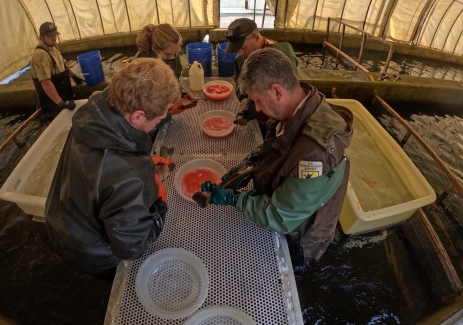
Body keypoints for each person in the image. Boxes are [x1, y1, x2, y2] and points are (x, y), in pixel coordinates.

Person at [194, 48, 353, 265]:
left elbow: (279, 216)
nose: (257, 109)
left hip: (299, 237)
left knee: (295, 269)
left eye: (257, 100)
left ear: (277, 91)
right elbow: (276, 147)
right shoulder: (296, 108)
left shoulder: (315, 154)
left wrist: (233, 199)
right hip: (287, 205)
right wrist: (246, 167)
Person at [45, 58, 180, 282]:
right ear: (137, 116)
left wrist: (139, 158)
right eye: (159, 117)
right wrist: (160, 204)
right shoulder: (128, 176)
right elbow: (131, 247)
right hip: (91, 251)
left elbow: (100, 167)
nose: (161, 120)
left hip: (62, 221)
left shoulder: (92, 115)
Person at [224, 18, 299, 128]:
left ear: (257, 38)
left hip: (280, 119)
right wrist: (244, 95)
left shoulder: (281, 57)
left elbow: (286, 95)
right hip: (259, 113)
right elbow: (238, 81)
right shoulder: (241, 57)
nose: (240, 53)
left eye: (243, 48)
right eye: (237, 49)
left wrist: (254, 109)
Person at [136, 23, 198, 138]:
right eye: (169, 54)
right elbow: (144, 111)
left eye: (176, 52)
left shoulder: (171, 54)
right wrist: (169, 113)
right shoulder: (143, 71)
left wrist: (181, 93)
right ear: (154, 48)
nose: (173, 57)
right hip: (148, 124)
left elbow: (173, 79)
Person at [30, 22, 85, 120]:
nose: (54, 38)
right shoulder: (40, 55)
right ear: (41, 37)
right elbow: (45, 82)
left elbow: (63, 66)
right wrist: (61, 103)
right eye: (50, 36)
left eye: (55, 34)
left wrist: (74, 77)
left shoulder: (54, 47)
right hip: (54, 104)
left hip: (65, 95)